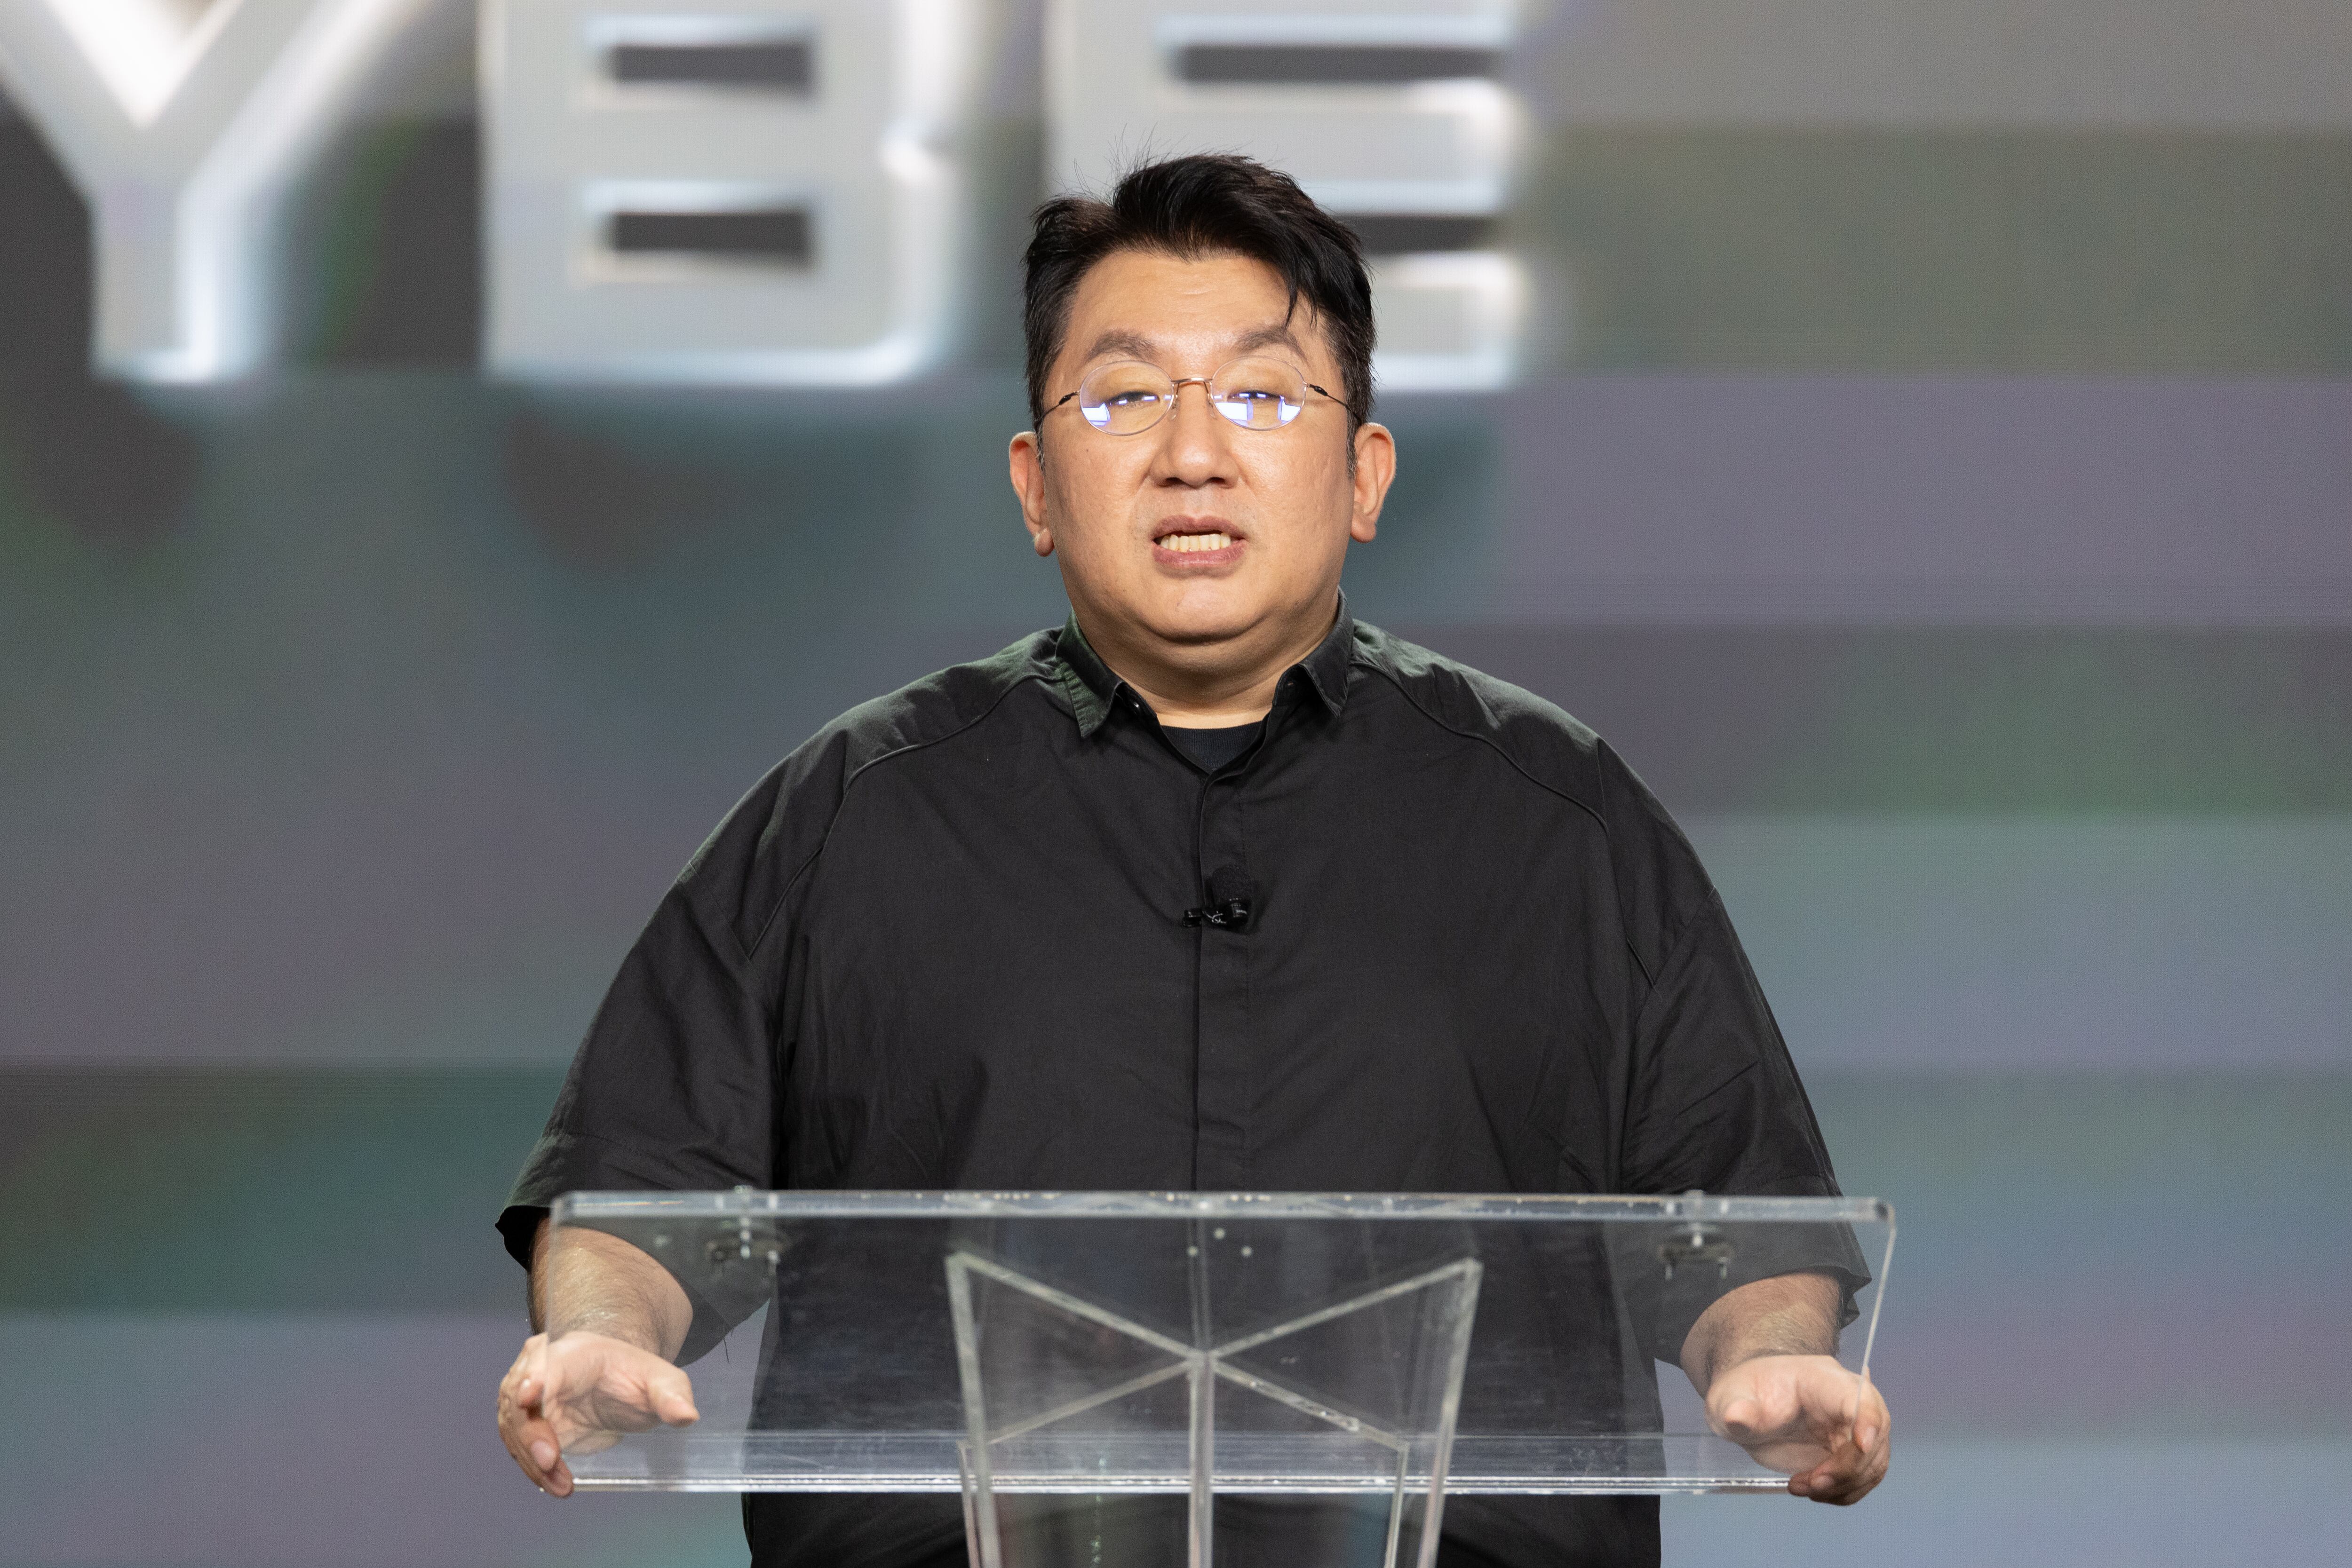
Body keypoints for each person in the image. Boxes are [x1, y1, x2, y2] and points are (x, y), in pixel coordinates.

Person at [492, 154, 1891, 1567]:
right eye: (1125, 398)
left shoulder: (1562, 820)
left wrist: (1774, 1358)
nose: (1194, 453)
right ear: (1036, 486)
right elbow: (637, 1183)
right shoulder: (851, 816)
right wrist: (603, 1333)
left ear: (1365, 474)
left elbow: (1744, 1218)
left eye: (1264, 396)